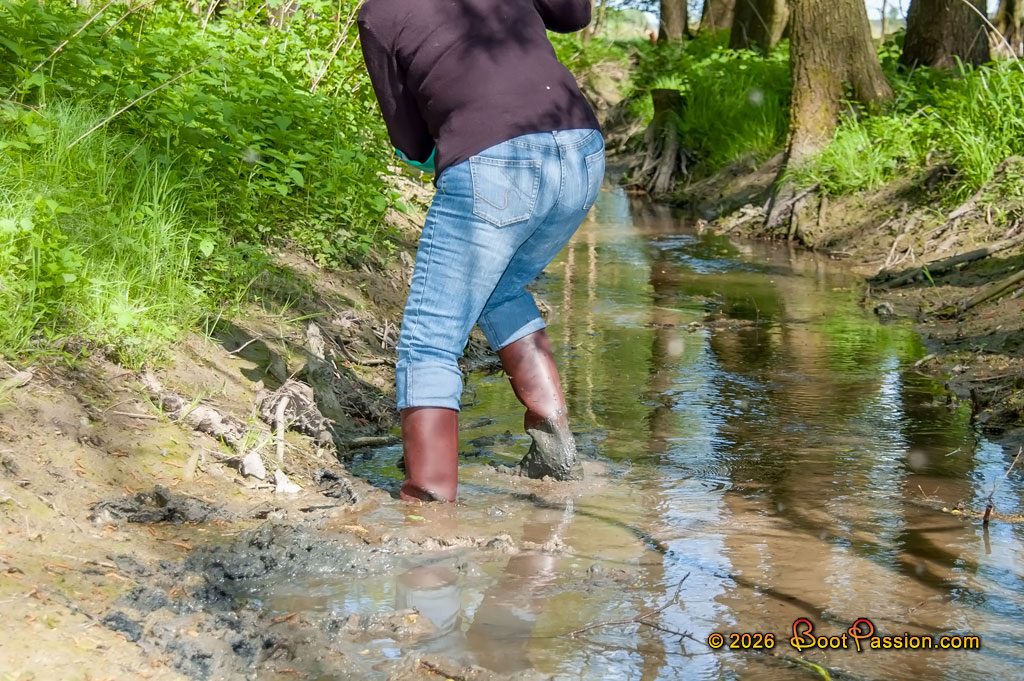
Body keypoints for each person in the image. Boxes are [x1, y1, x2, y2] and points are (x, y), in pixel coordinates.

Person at [358, 0, 605, 503]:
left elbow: (410, 140)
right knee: (501, 289)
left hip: (494, 161)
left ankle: (428, 506)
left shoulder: (379, 13)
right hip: (582, 149)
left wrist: (451, 146)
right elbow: (574, 14)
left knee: (430, 340)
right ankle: (554, 451)